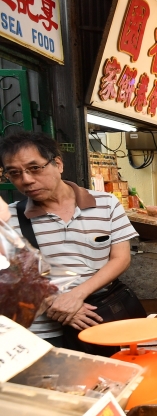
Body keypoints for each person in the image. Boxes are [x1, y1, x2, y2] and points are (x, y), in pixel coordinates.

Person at [1, 131, 138, 352]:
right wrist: (59, 306)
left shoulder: (106, 204)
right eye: (14, 173)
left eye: (35, 168)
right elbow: (12, 279)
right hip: (42, 333)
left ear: (58, 164)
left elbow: (120, 258)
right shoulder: (9, 219)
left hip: (98, 317)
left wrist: (76, 295)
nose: (26, 180)